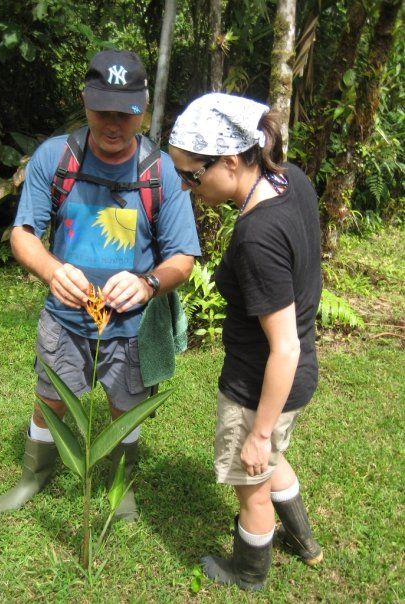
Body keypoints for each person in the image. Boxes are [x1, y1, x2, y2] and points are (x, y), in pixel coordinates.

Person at [0, 49, 201, 521]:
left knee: (126, 408)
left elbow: (183, 259)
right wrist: (51, 270)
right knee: (50, 395)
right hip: (65, 318)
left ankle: (120, 484)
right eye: (102, 110)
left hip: (130, 326)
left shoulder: (160, 170)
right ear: (85, 102)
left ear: (143, 109)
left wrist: (148, 283)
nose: (112, 124)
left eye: (125, 113)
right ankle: (34, 475)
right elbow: (23, 236)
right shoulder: (55, 157)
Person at [168, 93, 323, 591]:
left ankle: (248, 573)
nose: (188, 187)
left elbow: (283, 347)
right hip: (294, 381)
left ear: (230, 161)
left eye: (192, 175)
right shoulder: (290, 179)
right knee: (273, 457)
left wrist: (255, 432)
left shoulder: (256, 236)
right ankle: (304, 541)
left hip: (260, 383)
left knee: (251, 483)